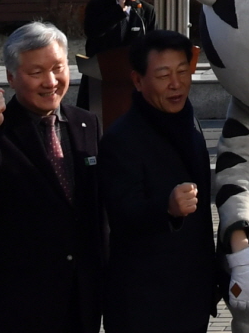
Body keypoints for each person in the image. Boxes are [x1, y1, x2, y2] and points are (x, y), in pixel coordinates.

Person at [0, 22, 104, 333]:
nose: (50, 81)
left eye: (58, 67)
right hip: (18, 304)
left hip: (80, 302)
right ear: (11, 77)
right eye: (36, 72)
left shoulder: (86, 122)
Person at [100, 29, 220, 333]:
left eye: (183, 71)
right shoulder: (121, 138)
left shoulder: (187, 120)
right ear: (138, 81)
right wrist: (166, 208)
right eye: (164, 74)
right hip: (145, 302)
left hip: (192, 293)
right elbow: (121, 214)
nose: (176, 83)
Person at [84, 0, 155, 129]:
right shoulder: (97, 6)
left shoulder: (146, 11)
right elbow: (92, 32)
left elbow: (152, 42)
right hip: (100, 77)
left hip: (132, 78)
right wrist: (118, 11)